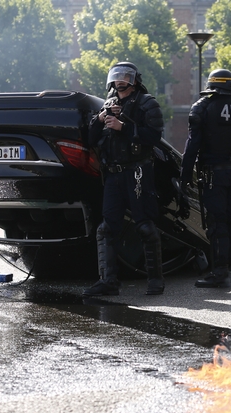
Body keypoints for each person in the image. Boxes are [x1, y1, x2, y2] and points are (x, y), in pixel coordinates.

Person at [83, 62, 166, 297]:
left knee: (145, 226)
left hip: (137, 170)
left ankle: (155, 281)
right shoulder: (108, 104)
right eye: (116, 76)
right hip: (113, 174)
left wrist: (124, 127)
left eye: (125, 76)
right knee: (106, 228)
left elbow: (153, 136)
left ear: (135, 80)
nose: (120, 80)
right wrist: (100, 120)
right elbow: (91, 139)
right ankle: (108, 281)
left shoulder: (146, 103)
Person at [180, 69, 231, 288]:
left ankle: (220, 271)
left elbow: (192, 144)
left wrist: (185, 177)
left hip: (214, 174)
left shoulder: (202, 107)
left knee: (217, 222)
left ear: (212, 86)